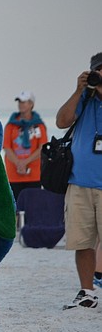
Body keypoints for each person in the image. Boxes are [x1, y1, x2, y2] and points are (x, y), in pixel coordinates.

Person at [55, 52, 102, 310]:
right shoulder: (84, 99)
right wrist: (79, 90)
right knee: (82, 241)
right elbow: (62, 121)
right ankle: (87, 292)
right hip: (80, 183)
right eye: (98, 70)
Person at [3, 90, 47, 202]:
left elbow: (42, 148)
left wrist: (25, 162)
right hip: (14, 173)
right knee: (15, 207)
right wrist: (19, 163)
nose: (21, 105)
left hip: (34, 174)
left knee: (33, 206)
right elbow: (7, 147)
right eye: (19, 102)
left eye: (24, 102)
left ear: (31, 104)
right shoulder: (11, 125)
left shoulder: (39, 125)